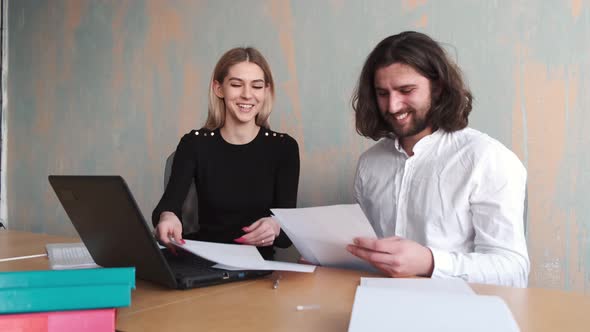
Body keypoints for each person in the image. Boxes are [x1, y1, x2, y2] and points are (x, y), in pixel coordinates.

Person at [346, 31, 529, 287]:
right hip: (379, 307)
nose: (393, 106)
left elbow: (513, 270)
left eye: (406, 90)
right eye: (382, 93)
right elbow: (369, 252)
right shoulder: (370, 163)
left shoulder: (488, 158)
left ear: (438, 87)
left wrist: (430, 262)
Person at [152, 47, 299, 260]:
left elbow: (286, 238)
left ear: (266, 91)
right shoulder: (194, 143)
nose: (247, 94)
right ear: (219, 88)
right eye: (237, 85)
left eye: (256, 86)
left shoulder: (284, 148)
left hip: (257, 269)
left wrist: (275, 225)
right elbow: (168, 206)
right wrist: (168, 217)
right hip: (202, 262)